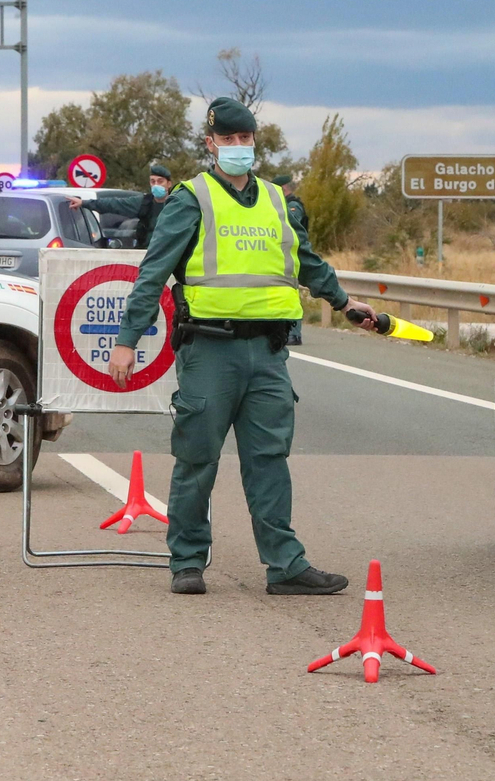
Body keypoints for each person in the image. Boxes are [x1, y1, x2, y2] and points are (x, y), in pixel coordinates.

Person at [107, 97, 385, 596]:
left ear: (255, 140)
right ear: (211, 144)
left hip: (269, 352)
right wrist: (128, 339)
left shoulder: (277, 200)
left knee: (269, 460)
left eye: (245, 138)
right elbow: (153, 273)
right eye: (228, 139)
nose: (238, 146)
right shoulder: (191, 198)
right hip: (210, 350)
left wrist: (344, 303)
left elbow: (305, 261)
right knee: (197, 459)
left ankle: (285, 564)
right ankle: (187, 561)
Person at [67, 163, 172, 249]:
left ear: (169, 184)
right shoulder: (144, 203)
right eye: (153, 181)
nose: (156, 185)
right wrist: (84, 203)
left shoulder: (176, 204)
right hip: (147, 253)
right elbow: (113, 204)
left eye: (160, 181)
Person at [273, 174, 309, 346]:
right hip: (283, 255)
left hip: (293, 255)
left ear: (283, 189)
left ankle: (294, 333)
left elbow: (290, 226)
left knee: (291, 293)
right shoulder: (283, 205)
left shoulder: (293, 206)